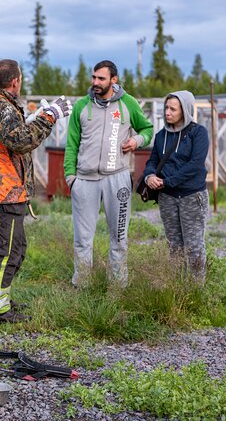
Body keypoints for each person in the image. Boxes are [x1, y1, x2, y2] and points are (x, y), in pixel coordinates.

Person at [0, 59, 71, 323]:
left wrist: (31, 119)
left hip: (3, 190)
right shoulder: (1, 107)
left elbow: (8, 137)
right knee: (7, 252)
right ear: (15, 81)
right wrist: (48, 117)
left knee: (16, 249)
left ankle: (2, 300)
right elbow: (21, 141)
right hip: (5, 192)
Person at [63, 60, 154, 288]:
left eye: (101, 78)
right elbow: (72, 144)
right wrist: (70, 178)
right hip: (84, 180)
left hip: (118, 179)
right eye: (94, 77)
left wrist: (137, 140)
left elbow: (148, 129)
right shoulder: (81, 106)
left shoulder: (128, 103)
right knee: (82, 239)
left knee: (119, 237)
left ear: (114, 80)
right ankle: (82, 284)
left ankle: (118, 285)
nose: (95, 82)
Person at [142, 91, 209, 283]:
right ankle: (178, 288)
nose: (167, 112)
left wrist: (167, 181)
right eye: (166, 108)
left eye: (173, 109)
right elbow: (152, 161)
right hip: (167, 198)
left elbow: (195, 165)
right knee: (175, 246)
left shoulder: (198, 133)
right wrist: (150, 176)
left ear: (185, 110)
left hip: (191, 197)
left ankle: (196, 291)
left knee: (194, 246)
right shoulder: (161, 136)